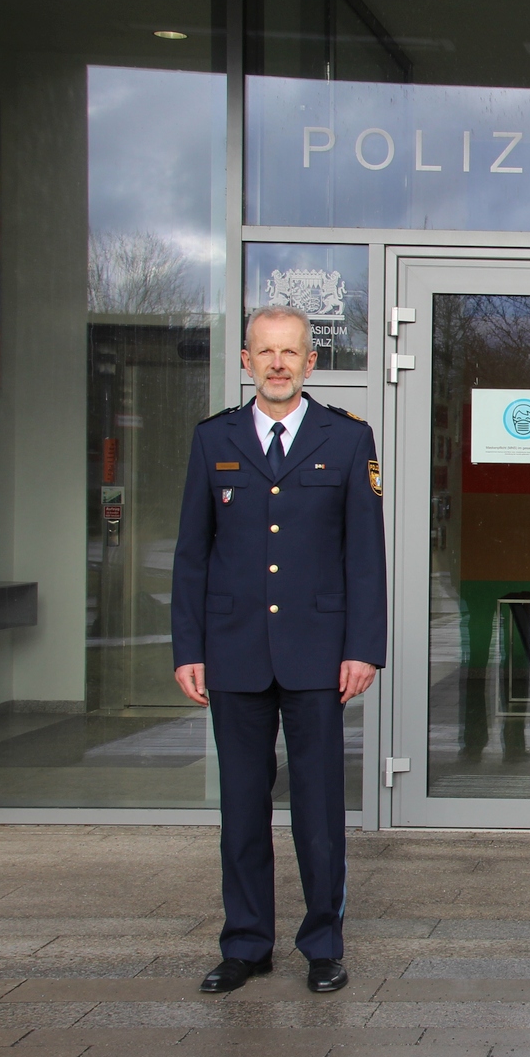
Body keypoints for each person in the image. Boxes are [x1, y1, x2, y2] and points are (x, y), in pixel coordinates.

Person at [171, 305, 387, 995]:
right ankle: (246, 943)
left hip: (318, 654)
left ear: (310, 363)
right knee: (241, 804)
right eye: (264, 351)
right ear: (245, 360)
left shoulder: (348, 440)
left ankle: (323, 944)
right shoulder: (214, 440)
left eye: (290, 351)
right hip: (233, 652)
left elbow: (365, 558)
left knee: (320, 808)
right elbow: (191, 556)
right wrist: (187, 648)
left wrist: (364, 648)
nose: (277, 363)